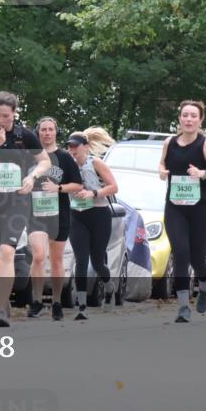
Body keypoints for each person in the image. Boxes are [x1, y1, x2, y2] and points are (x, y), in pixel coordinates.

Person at [0, 92, 50, 327]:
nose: (1, 120)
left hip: (17, 200)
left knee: (7, 252)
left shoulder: (25, 136)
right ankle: (3, 296)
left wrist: (32, 177)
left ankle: (2, 308)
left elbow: (45, 161)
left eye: (6, 116)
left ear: (14, 113)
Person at [159, 100, 206, 323]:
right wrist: (162, 172)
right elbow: (161, 165)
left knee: (197, 258)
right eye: (185, 115)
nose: (188, 119)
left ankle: (205, 285)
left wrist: (202, 173)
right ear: (179, 118)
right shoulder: (169, 142)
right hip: (175, 207)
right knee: (180, 252)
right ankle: (183, 306)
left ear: (200, 120)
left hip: (200, 209)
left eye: (193, 116)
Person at [29, 117, 82, 321]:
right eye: (43, 129)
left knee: (57, 259)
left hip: (59, 214)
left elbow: (77, 185)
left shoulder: (65, 158)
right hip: (35, 214)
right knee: (39, 256)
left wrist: (57, 187)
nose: (47, 133)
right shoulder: (31, 156)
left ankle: (57, 302)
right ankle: (36, 301)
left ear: (56, 132)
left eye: (51, 129)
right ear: (38, 132)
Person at [66, 129, 120, 320]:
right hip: (77, 215)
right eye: (69, 147)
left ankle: (109, 287)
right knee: (81, 259)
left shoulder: (96, 163)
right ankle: (81, 306)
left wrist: (93, 193)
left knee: (97, 261)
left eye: (75, 146)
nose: (72, 150)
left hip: (99, 215)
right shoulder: (68, 164)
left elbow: (114, 187)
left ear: (86, 147)